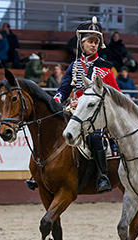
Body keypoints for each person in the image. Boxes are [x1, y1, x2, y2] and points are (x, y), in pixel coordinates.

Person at [54, 17, 120, 194]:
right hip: (73, 111)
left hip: (94, 115)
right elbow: (63, 89)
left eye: (96, 42)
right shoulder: (75, 66)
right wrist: (54, 102)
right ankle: (43, 173)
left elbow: (116, 96)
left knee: (94, 138)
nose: (93, 45)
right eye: (90, 41)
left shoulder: (105, 68)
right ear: (82, 44)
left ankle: (102, 176)